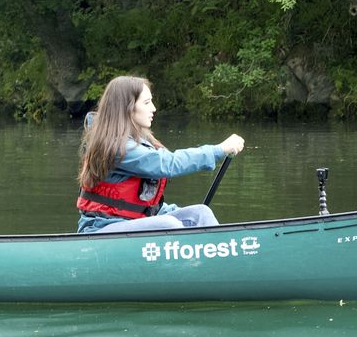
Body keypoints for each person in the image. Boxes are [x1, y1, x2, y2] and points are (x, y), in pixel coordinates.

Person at [77, 75, 244, 233]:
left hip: (135, 220)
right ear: (127, 108)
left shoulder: (140, 141)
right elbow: (168, 164)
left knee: (200, 213)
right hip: (102, 228)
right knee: (168, 225)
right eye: (147, 102)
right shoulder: (115, 147)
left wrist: (175, 212)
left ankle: (218, 256)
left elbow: (144, 203)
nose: (154, 108)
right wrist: (218, 150)